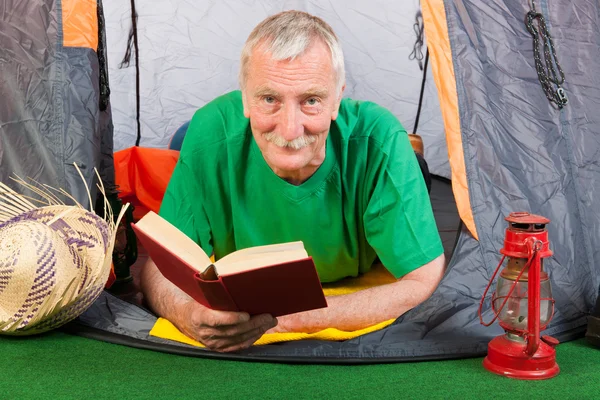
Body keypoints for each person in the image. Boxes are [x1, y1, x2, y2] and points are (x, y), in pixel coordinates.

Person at [140, 10, 446, 353]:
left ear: (336, 99)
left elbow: (424, 277)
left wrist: (285, 321)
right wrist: (188, 313)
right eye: (269, 99)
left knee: (411, 169)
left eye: (311, 101)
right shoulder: (209, 130)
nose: (289, 129)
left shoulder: (381, 137)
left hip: (371, 229)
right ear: (244, 98)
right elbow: (159, 267)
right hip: (218, 153)